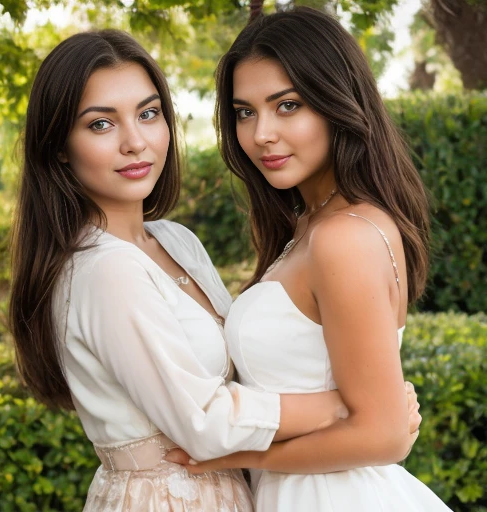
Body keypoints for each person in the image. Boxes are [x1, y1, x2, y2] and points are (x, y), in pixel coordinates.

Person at [8, 29, 420, 511]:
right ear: (59, 145)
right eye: (101, 124)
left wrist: (369, 415)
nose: (135, 142)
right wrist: (345, 407)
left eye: (148, 113)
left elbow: (234, 391)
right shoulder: (105, 269)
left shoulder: (178, 241)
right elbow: (203, 422)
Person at [165, 6, 453, 512]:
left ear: (337, 101)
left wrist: (232, 454)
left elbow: (384, 434)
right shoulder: (311, 225)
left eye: (288, 105)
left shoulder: (344, 237)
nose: (260, 134)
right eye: (244, 111)